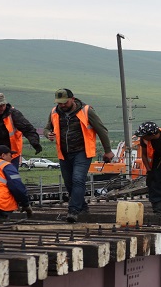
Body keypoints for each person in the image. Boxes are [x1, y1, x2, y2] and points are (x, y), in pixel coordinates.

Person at [44, 88, 114, 223]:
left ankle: (73, 211)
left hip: (82, 152)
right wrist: (48, 134)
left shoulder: (86, 111)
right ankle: (82, 206)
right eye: (59, 103)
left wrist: (108, 150)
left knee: (78, 180)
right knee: (69, 183)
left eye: (65, 102)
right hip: (64, 153)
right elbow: (47, 128)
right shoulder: (54, 112)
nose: (62, 105)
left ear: (73, 99)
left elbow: (102, 130)